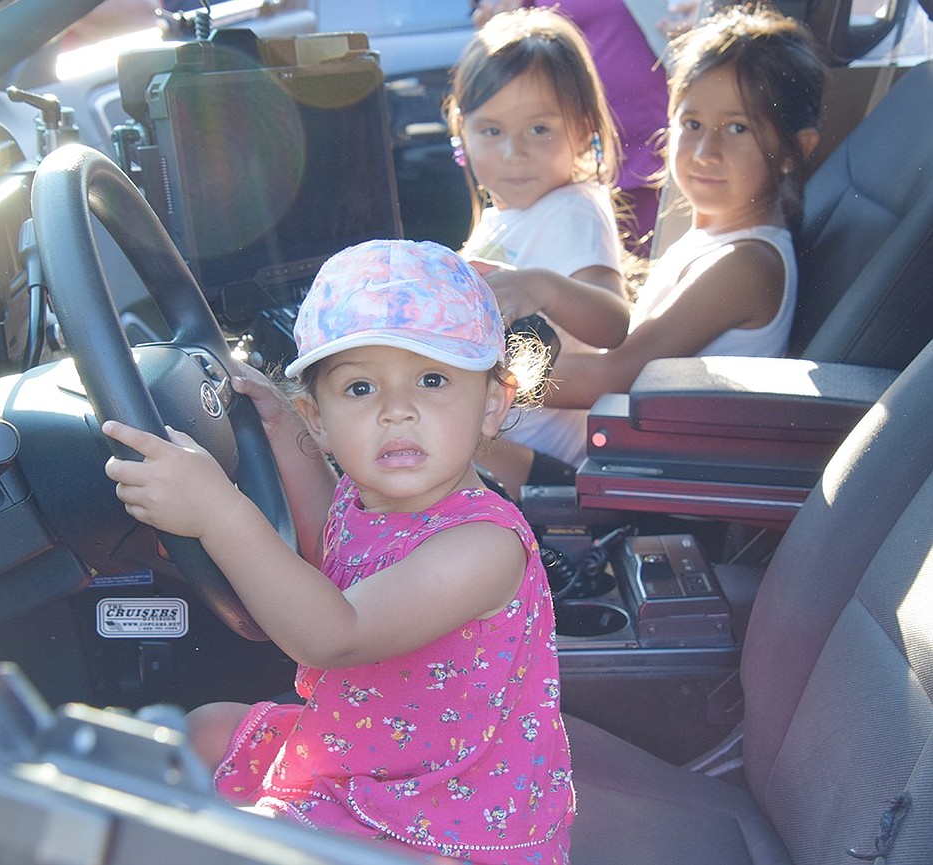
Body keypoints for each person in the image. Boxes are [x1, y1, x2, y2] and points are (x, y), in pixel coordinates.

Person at [102, 239, 573, 864]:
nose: (395, 411)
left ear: (491, 404)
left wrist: (217, 510)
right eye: (358, 389)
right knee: (203, 728)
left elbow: (335, 634)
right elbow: (336, 543)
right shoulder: (371, 492)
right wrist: (277, 429)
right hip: (370, 753)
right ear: (317, 417)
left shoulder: (483, 546)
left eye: (432, 380)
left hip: (449, 815)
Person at [480, 4, 827, 492]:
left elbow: (612, 375)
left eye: (737, 128)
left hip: (646, 493)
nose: (706, 151)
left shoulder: (746, 263)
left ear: (795, 148)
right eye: (692, 124)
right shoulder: (711, 238)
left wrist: (476, 372)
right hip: (616, 460)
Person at [448, 7, 633, 489]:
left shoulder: (571, 208)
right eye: (492, 131)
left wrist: (541, 288)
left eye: (539, 129)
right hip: (499, 436)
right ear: (460, 129)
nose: (514, 153)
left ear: (582, 129)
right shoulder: (503, 215)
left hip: (543, 463)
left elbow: (613, 323)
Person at [470, 0, 674, 257]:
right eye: (490, 131)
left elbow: (604, 295)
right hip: (561, 160)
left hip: (652, 150)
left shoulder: (578, 213)